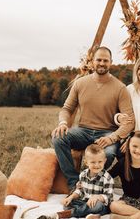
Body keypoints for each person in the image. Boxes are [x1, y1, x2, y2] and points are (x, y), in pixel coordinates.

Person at [52, 46, 135, 191]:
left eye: (105, 60)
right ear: (92, 62)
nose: (102, 63)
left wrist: (112, 138)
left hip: (107, 133)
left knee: (108, 154)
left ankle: (95, 184)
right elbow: (67, 109)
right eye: (99, 60)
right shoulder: (80, 83)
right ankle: (74, 183)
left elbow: (130, 121)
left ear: (111, 62)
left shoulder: (120, 88)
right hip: (83, 131)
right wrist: (63, 123)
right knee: (58, 138)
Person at [57, 144, 114, 219]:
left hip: (99, 205)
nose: (97, 165)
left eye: (100, 162)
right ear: (86, 162)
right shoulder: (83, 174)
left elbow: (109, 197)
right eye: (93, 162)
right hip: (85, 202)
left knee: (98, 206)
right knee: (67, 205)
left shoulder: (107, 178)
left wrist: (97, 197)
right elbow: (80, 190)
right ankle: (88, 214)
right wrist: (71, 197)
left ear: (104, 161)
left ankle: (72, 213)